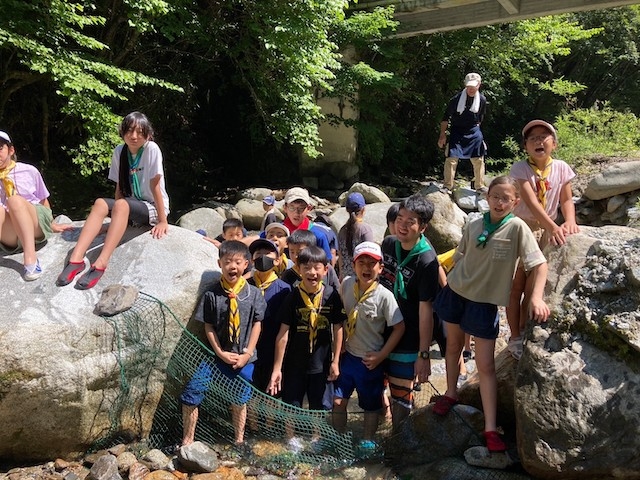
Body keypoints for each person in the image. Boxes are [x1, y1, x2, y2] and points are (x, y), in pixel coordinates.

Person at [432, 176, 550, 452]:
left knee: (485, 366)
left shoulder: (518, 228)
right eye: (495, 196)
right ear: (487, 197)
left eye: (506, 198)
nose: (499, 202)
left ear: (515, 202)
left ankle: (489, 428)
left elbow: (540, 265)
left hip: (484, 304)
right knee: (452, 347)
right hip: (456, 293)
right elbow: (460, 255)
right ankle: (450, 393)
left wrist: (535, 296)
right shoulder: (474, 223)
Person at [56, 112, 169, 290]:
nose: (134, 136)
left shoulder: (151, 149)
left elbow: (155, 186)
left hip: (152, 206)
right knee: (100, 203)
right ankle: (76, 258)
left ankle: (101, 261)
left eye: (140, 132)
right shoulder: (119, 151)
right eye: (129, 131)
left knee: (122, 204)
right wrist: (117, 218)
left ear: (148, 134)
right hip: (130, 204)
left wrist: (163, 220)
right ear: (122, 132)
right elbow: (119, 187)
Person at [180, 240, 266, 446]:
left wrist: (247, 354)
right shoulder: (212, 293)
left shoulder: (253, 294)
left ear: (247, 264)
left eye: (237, 262)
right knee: (191, 393)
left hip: (244, 357)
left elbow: (257, 324)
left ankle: (238, 440)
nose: (232, 267)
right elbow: (208, 326)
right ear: (219, 264)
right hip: (214, 357)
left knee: (240, 399)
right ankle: (187, 439)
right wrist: (219, 352)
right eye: (227, 262)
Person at [506, 119, 579, 359]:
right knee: (515, 285)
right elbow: (531, 201)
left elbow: (566, 199)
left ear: (554, 144)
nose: (539, 141)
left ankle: (527, 331)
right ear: (525, 146)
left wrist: (569, 221)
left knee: (534, 285)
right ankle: (514, 335)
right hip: (523, 228)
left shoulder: (561, 168)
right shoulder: (520, 169)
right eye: (533, 138)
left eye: (544, 137)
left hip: (546, 230)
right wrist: (553, 225)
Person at [378, 194, 445, 432]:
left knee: (401, 394)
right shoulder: (388, 244)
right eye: (400, 218)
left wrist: (424, 355)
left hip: (409, 334)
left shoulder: (426, 260)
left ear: (423, 227)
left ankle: (401, 439)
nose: (402, 225)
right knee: (377, 384)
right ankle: (384, 429)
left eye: (411, 221)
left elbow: (426, 309)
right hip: (382, 328)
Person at [333, 242, 404, 451]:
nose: (366, 268)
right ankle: (337, 435)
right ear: (353, 266)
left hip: (370, 361)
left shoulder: (384, 296)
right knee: (338, 401)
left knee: (370, 406)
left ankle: (367, 439)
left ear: (380, 268)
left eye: (372, 263)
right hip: (348, 357)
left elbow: (399, 327)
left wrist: (382, 355)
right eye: (361, 263)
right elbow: (339, 317)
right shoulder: (346, 285)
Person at [268, 246, 345, 439]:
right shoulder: (292, 296)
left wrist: (336, 361)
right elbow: (282, 334)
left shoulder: (331, 295)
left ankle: (316, 437)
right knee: (291, 403)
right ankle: (290, 438)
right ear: (299, 269)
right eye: (307, 267)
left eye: (317, 267)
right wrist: (277, 369)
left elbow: (338, 328)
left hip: (321, 364)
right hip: (295, 363)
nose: (312, 272)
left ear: (326, 270)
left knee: (319, 404)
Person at [0, 131, 64, 280]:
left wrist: (52, 224)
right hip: (11, 236)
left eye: (0, 148)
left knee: (15, 200)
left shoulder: (29, 171)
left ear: (11, 150)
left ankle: (31, 258)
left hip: (34, 226)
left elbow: (43, 200)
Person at [247, 238, 292, 393]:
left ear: (278, 260)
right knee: (250, 394)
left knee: (270, 394)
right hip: (248, 350)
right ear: (252, 260)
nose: (262, 257)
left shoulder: (284, 290)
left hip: (272, 350)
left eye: (268, 254)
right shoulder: (245, 286)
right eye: (258, 254)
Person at [438, 72, 487, 193]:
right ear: (465, 85)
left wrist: (478, 133)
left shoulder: (482, 100)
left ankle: (479, 185)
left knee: (478, 159)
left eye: (474, 86)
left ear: (479, 85)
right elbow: (445, 118)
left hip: (473, 130)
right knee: (451, 158)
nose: (471, 89)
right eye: (469, 86)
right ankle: (447, 186)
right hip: (457, 130)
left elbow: (480, 118)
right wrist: (442, 135)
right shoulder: (456, 99)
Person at [281, 187, 332, 261]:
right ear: (285, 208)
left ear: (309, 208)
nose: (296, 213)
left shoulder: (318, 236)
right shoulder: (277, 233)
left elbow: (326, 263)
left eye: (301, 208)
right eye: (292, 207)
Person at [337, 192, 374, 281]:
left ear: (346, 210)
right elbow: (370, 254)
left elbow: (340, 255)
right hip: (361, 278)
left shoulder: (342, 230)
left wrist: (341, 275)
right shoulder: (365, 229)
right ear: (363, 209)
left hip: (346, 278)